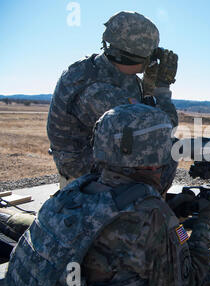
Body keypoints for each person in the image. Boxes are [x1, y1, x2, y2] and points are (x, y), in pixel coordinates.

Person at [3, 103, 210, 286]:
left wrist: (171, 213)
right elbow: (186, 284)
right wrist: (205, 225)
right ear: (156, 155)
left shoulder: (73, 192)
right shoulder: (151, 215)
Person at [47, 11, 179, 189]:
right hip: (82, 172)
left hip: (100, 152)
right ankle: (146, 203)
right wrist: (162, 88)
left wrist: (148, 87)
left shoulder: (107, 69)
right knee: (168, 149)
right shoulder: (97, 91)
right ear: (141, 56)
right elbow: (163, 129)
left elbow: (142, 110)